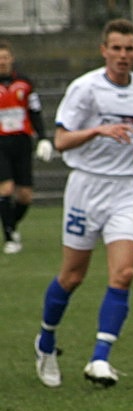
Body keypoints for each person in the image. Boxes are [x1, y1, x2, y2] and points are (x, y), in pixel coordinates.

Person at [34, 19, 133, 389]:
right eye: (116, 48)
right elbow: (60, 141)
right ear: (104, 50)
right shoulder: (84, 88)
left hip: (126, 189)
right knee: (72, 276)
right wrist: (97, 130)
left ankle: (100, 359)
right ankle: (45, 341)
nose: (123, 56)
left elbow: (132, 126)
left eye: (129, 49)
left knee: (124, 274)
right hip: (86, 188)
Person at [0, 39, 54, 255]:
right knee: (6, 188)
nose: (2, 62)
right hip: (0, 143)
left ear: (11, 59)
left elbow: (35, 112)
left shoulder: (25, 83)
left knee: (25, 196)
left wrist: (43, 138)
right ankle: (10, 236)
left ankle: (10, 223)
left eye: (5, 57)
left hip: (22, 142)